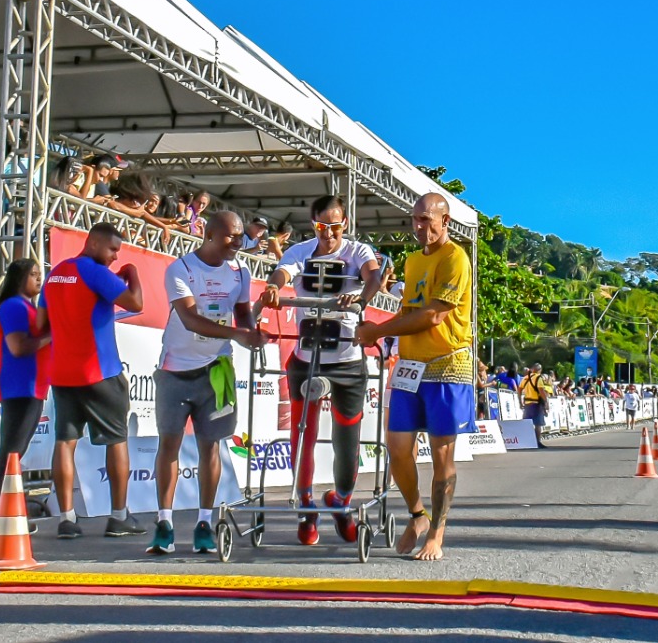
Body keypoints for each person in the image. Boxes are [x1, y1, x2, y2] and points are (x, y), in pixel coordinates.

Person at [257, 195, 386, 545]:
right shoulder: (301, 251)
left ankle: (341, 501)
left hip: (347, 360)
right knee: (303, 434)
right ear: (312, 225)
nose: (328, 234)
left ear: (345, 224)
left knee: (347, 438)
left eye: (335, 226)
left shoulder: (357, 251)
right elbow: (283, 271)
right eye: (321, 226)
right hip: (307, 359)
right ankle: (306, 507)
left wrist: (361, 298)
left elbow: (373, 276)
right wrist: (274, 286)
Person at [358, 193, 474, 563]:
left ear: (445, 220)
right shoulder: (411, 261)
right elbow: (410, 308)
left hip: (446, 365)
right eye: (415, 219)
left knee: (442, 454)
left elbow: (433, 315)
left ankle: (437, 533)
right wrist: (379, 330)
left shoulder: (455, 258)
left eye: (427, 219)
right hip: (410, 366)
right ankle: (417, 514)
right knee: (397, 448)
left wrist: (378, 331)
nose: (420, 227)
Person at [148, 212, 264, 556]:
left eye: (241, 236)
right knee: (169, 444)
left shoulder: (240, 272)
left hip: (216, 369)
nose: (238, 242)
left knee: (210, 447)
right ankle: (164, 523)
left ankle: (204, 523)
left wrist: (252, 329)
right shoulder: (180, 269)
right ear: (209, 234)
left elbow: (242, 312)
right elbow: (190, 319)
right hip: (175, 369)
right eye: (231, 236)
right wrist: (238, 334)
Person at [37, 222, 145, 539]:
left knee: (64, 442)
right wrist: (132, 273)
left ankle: (66, 519)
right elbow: (136, 303)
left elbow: (42, 324)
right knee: (117, 440)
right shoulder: (95, 272)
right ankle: (119, 516)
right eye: (112, 249)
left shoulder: (55, 274)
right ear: (94, 243)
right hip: (100, 372)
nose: (115, 257)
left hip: (62, 373)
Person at [0, 258, 50, 499]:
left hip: (31, 386)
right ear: (18, 278)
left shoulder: (27, 307)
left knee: (16, 449)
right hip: (20, 385)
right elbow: (18, 347)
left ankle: (7, 503)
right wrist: (51, 335)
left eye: (39, 273)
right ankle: (2, 506)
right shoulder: (14, 306)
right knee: (12, 450)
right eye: (33, 274)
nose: (39, 278)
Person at [519, 362, 549, 447]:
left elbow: (519, 390)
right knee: (538, 424)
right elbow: (541, 391)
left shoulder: (525, 378)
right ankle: (537, 442)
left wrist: (520, 401)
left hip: (527, 404)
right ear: (540, 370)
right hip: (536, 404)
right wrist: (546, 401)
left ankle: (528, 442)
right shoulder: (538, 378)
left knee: (527, 424)